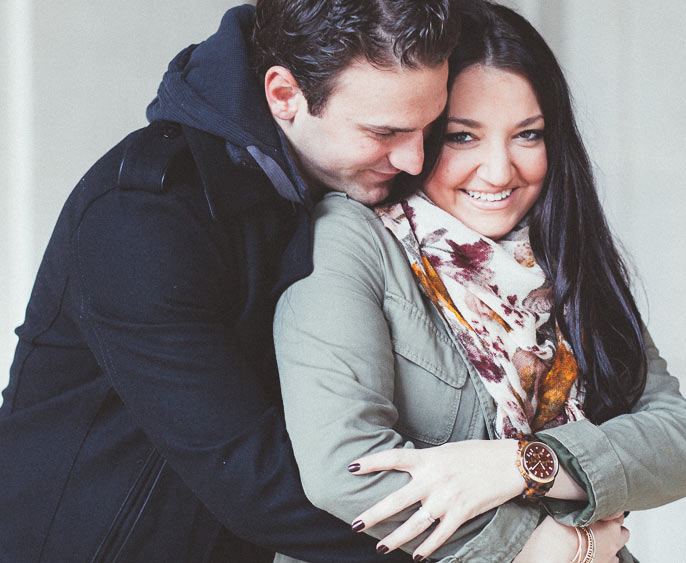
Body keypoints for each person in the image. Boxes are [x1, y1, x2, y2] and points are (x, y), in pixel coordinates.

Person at [0, 1, 462, 561]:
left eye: (430, 127)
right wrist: (504, 549)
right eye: (384, 131)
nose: (415, 159)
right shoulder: (142, 214)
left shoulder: (351, 181)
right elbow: (253, 479)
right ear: (284, 95)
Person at [273, 3, 686, 562]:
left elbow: (679, 443)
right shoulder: (352, 239)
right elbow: (345, 469)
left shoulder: (561, 257)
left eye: (527, 134)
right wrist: (546, 548)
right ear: (422, 132)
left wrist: (520, 464)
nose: (501, 171)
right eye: (463, 137)